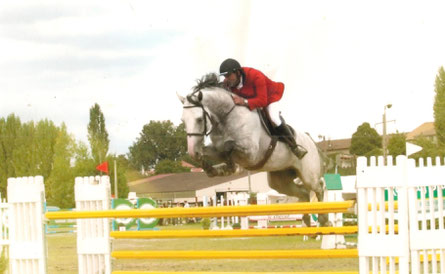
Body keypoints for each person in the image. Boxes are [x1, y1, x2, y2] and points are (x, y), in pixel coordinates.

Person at [219, 58, 307, 159]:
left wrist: (244, 102)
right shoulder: (230, 82)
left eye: (228, 75)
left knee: (274, 117)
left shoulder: (256, 76)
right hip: (253, 98)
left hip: (269, 97)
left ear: (238, 72)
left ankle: (294, 147)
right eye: (225, 76)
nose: (226, 79)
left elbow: (262, 101)